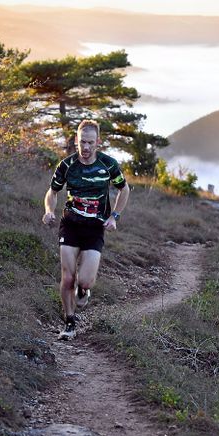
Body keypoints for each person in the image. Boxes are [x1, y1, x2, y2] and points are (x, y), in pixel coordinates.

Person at [42, 119, 130, 340]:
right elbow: (52, 192)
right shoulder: (67, 165)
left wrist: (114, 216)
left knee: (84, 281)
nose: (86, 147)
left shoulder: (108, 164)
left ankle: (84, 291)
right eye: (82, 142)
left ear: (98, 142)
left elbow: (124, 189)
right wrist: (49, 210)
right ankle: (69, 322)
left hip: (94, 229)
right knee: (67, 278)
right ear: (76, 140)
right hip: (70, 225)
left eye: (91, 142)